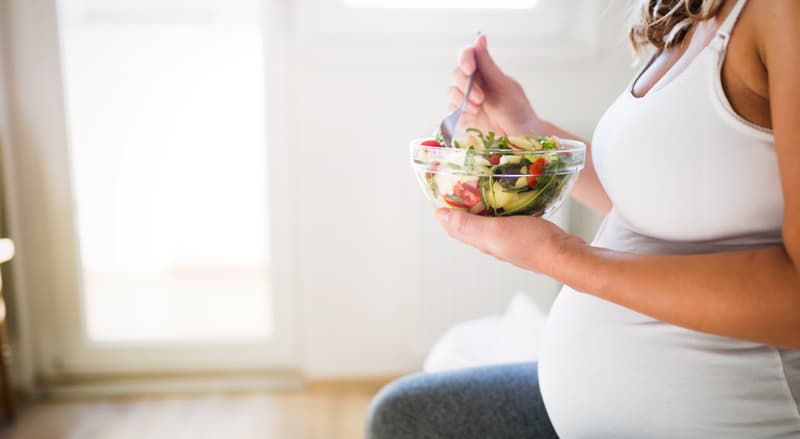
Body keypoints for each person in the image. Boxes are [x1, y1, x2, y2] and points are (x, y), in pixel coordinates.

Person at [365, 0, 800, 437]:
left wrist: (560, 257)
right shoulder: (695, 13)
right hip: (606, 413)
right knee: (404, 414)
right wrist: (523, 123)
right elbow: (664, 200)